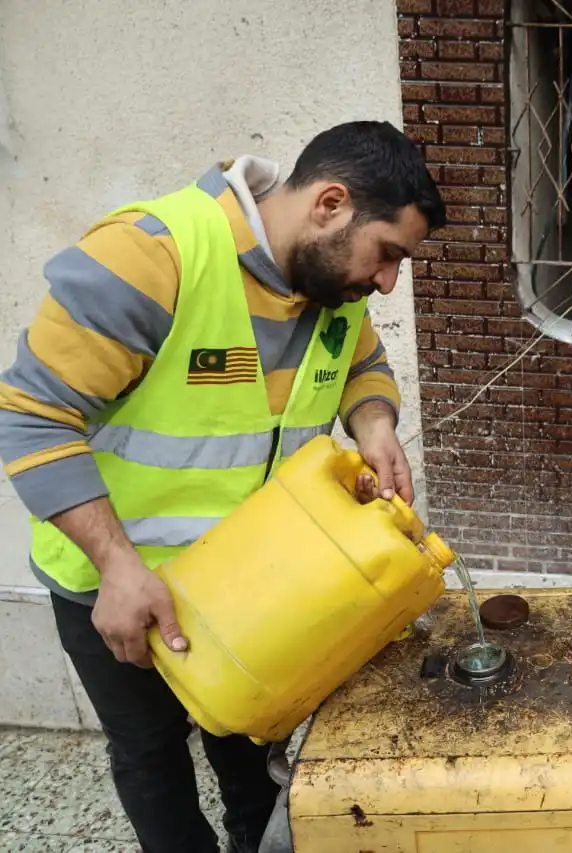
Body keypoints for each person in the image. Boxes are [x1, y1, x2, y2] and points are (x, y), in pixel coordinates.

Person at [0, 120, 446, 852]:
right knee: (153, 763)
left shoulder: (332, 286)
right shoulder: (153, 254)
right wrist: (117, 564)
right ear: (330, 204)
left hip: (251, 591)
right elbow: (31, 415)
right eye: (389, 254)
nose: (388, 281)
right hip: (124, 589)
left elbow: (363, 366)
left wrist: (374, 425)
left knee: (253, 755)